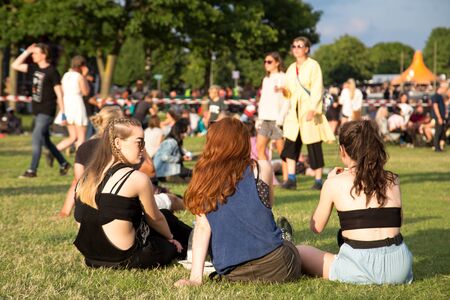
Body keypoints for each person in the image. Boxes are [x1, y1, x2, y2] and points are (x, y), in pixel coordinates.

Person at [174, 118, 302, 287]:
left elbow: (203, 228)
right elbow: (267, 205)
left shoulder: (203, 180)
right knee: (297, 249)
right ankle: (285, 237)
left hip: (234, 272)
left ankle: (283, 238)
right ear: (243, 143)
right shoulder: (261, 168)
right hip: (278, 265)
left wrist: (195, 278)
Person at [298, 120, 413, 285]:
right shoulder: (392, 179)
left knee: (300, 251)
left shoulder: (334, 183)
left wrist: (328, 185)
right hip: (399, 266)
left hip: (359, 266)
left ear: (343, 150)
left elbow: (316, 227)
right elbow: (398, 222)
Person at [73, 118, 191, 268]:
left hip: (91, 258)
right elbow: (155, 219)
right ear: (117, 143)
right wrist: (170, 238)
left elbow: (80, 220)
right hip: (125, 258)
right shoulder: (136, 178)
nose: (143, 148)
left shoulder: (86, 178)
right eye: (139, 142)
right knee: (166, 220)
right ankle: (202, 241)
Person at [280, 36, 335, 190]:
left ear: (307, 49)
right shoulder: (291, 68)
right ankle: (291, 179)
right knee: (291, 145)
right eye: (294, 46)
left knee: (313, 146)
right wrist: (284, 91)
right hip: (294, 113)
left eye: (300, 45)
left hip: (309, 110)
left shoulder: (313, 66)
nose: (296, 48)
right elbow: (289, 90)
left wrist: (313, 109)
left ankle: (318, 181)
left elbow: (318, 88)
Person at [11, 43, 70, 178]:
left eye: (36, 53)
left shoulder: (52, 71)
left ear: (44, 55)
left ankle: (32, 170)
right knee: (45, 141)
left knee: (36, 138)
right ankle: (63, 163)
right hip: (37, 111)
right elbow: (15, 65)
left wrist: (63, 112)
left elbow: (59, 93)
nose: (33, 55)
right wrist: (26, 51)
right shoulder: (33, 68)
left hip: (47, 111)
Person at [58, 106, 124, 217]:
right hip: (116, 200)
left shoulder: (84, 147)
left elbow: (78, 181)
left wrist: (64, 212)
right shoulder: (121, 147)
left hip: (88, 202)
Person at [256, 52, 289, 183]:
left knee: (282, 151)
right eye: (265, 62)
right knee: (259, 147)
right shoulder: (266, 79)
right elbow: (263, 100)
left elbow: (288, 99)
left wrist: (282, 118)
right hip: (264, 118)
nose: (266, 64)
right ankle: (265, 177)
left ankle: (287, 179)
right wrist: (259, 118)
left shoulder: (284, 77)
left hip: (277, 119)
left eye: (269, 62)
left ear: (277, 62)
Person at [55, 55, 90, 153]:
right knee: (81, 137)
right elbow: (85, 92)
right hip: (77, 103)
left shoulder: (66, 75)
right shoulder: (79, 76)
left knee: (73, 136)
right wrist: (85, 76)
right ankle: (80, 161)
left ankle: (54, 151)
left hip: (67, 104)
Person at [431, 81, 448, 152]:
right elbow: (435, 107)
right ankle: (436, 147)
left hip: (441, 117)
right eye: (445, 89)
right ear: (442, 88)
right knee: (438, 132)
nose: (446, 90)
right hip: (438, 117)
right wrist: (439, 117)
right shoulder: (436, 96)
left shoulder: (440, 97)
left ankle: (439, 147)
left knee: (441, 132)